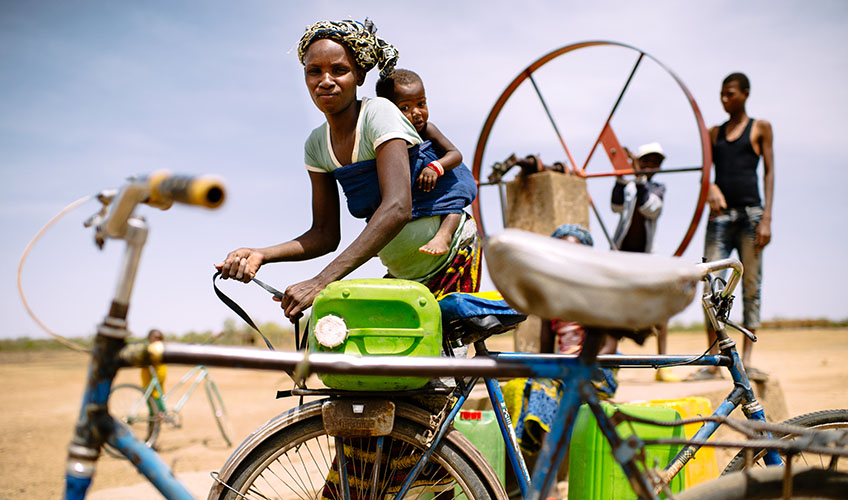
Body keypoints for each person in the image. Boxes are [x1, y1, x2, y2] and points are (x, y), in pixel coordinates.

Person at [217, 19, 480, 321]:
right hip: (404, 273)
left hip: (451, 259)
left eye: (338, 70)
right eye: (314, 71)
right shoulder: (316, 145)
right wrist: (263, 254)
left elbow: (397, 207)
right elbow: (325, 234)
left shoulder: (378, 115)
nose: (325, 80)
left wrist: (321, 281)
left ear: (359, 75)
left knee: (441, 364)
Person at [686, 72, 774, 382]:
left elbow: (769, 173)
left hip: (751, 216)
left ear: (745, 94)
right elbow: (704, 173)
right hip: (719, 219)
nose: (725, 100)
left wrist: (766, 218)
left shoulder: (760, 128)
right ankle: (713, 361)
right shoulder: (713, 133)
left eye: (731, 94)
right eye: (722, 94)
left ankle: (747, 363)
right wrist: (710, 187)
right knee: (711, 285)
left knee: (752, 287)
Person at [376, 68, 468, 255]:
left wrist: (435, 167)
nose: (417, 113)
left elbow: (455, 154)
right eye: (405, 108)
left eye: (421, 103)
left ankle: (445, 235)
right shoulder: (387, 138)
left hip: (444, 180)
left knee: (453, 201)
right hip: (419, 190)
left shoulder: (427, 130)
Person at [610, 142, 678, 382]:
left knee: (661, 309)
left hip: (646, 257)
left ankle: (663, 365)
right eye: (646, 161)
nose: (651, 166)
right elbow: (615, 206)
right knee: (614, 311)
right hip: (622, 257)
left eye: (656, 162)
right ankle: (611, 364)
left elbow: (650, 209)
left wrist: (639, 180)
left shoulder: (657, 188)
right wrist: (622, 178)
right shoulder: (628, 187)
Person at [141, 329, 167, 399]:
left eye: (159, 338)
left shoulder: (162, 349)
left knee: (159, 394)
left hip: (159, 380)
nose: (157, 340)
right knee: (150, 394)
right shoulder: (147, 349)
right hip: (148, 379)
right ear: (149, 338)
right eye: (155, 338)